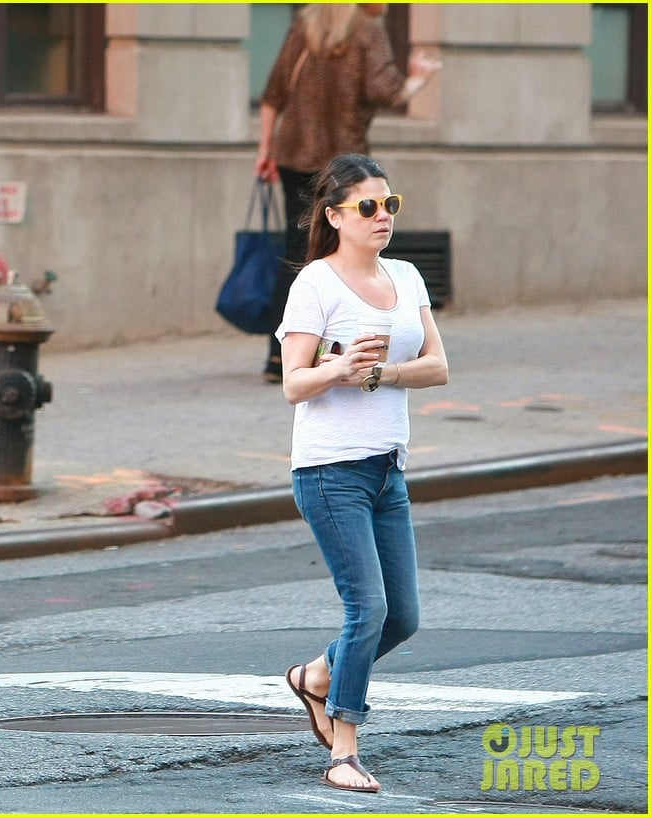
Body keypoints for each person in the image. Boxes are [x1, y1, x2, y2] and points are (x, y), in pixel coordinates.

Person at [275, 153, 449, 792]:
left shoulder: (405, 276)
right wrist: (341, 368)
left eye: (390, 205)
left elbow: (438, 365)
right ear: (334, 216)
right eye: (368, 207)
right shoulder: (315, 285)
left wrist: (381, 373)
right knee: (367, 608)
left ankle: (315, 676)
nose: (382, 217)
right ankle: (343, 750)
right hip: (329, 470)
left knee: (403, 616)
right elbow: (295, 384)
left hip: (387, 470)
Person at [253, 3, 441, 383]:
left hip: (295, 155)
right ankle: (338, 344)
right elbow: (385, 89)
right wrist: (417, 79)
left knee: (297, 250)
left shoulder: (304, 25)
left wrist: (265, 150)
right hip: (343, 167)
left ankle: (280, 356)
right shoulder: (367, 30)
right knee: (345, 253)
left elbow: (273, 93)